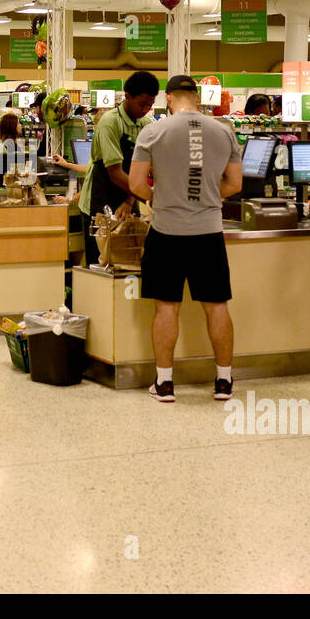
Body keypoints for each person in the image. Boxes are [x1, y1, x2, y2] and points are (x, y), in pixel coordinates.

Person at [128, 76, 244, 404]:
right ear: (197, 97)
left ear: (168, 98)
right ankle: (223, 380)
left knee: (167, 306)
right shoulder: (224, 131)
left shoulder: (153, 131)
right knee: (217, 306)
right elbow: (234, 184)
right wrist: (205, 197)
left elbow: (136, 183)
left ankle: (164, 383)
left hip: (167, 232)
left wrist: (159, 198)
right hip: (209, 231)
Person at [78, 70, 160, 266]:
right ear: (128, 97)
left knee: (130, 259)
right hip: (99, 201)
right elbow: (114, 173)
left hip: (128, 197)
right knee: (100, 264)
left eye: (150, 105)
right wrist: (151, 197)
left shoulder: (148, 125)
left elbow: (149, 169)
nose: (146, 109)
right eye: (142, 104)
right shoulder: (109, 123)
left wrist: (130, 200)